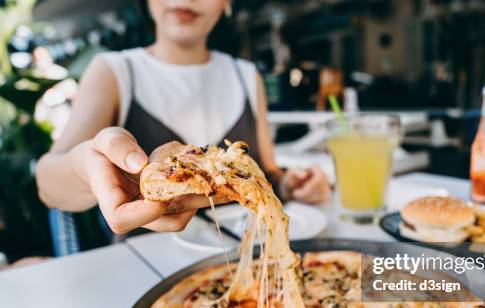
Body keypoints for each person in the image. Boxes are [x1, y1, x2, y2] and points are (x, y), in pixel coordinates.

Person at [36, 0, 331, 235]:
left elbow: (267, 172)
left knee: (370, 284)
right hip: (150, 270)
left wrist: (290, 184)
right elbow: (48, 185)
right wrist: (86, 168)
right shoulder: (114, 71)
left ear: (227, 3)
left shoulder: (246, 75)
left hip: (247, 256)